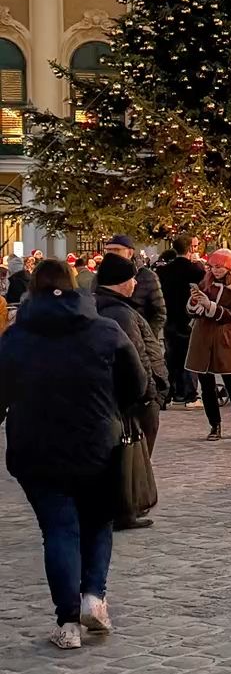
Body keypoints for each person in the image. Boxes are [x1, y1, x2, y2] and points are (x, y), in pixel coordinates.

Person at [0, 259, 148, 648]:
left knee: (58, 530)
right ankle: (93, 596)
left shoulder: (16, 338)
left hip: (36, 446)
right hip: (96, 441)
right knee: (98, 521)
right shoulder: (105, 330)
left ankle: (67, 621)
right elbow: (137, 384)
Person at [94, 253, 168, 460]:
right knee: (135, 464)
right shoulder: (119, 313)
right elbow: (136, 356)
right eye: (132, 278)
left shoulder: (114, 307)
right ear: (121, 282)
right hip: (137, 402)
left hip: (132, 398)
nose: (135, 283)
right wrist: (151, 394)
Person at [185, 248, 231, 439]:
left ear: (229, 267)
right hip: (203, 337)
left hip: (225, 338)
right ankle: (215, 426)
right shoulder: (205, 283)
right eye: (213, 266)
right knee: (207, 386)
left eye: (220, 267)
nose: (216, 270)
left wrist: (210, 306)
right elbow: (192, 311)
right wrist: (194, 303)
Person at [156, 236, 206, 406]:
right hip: (189, 318)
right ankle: (190, 394)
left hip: (170, 318)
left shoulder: (163, 271)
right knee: (190, 357)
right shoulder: (196, 271)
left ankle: (169, 394)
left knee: (171, 357)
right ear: (190, 249)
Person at [100, 234, 166, 340]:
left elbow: (159, 312)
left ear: (130, 252)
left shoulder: (147, 277)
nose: (111, 254)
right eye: (108, 250)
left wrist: (146, 337)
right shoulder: (102, 276)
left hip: (138, 339)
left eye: (116, 250)